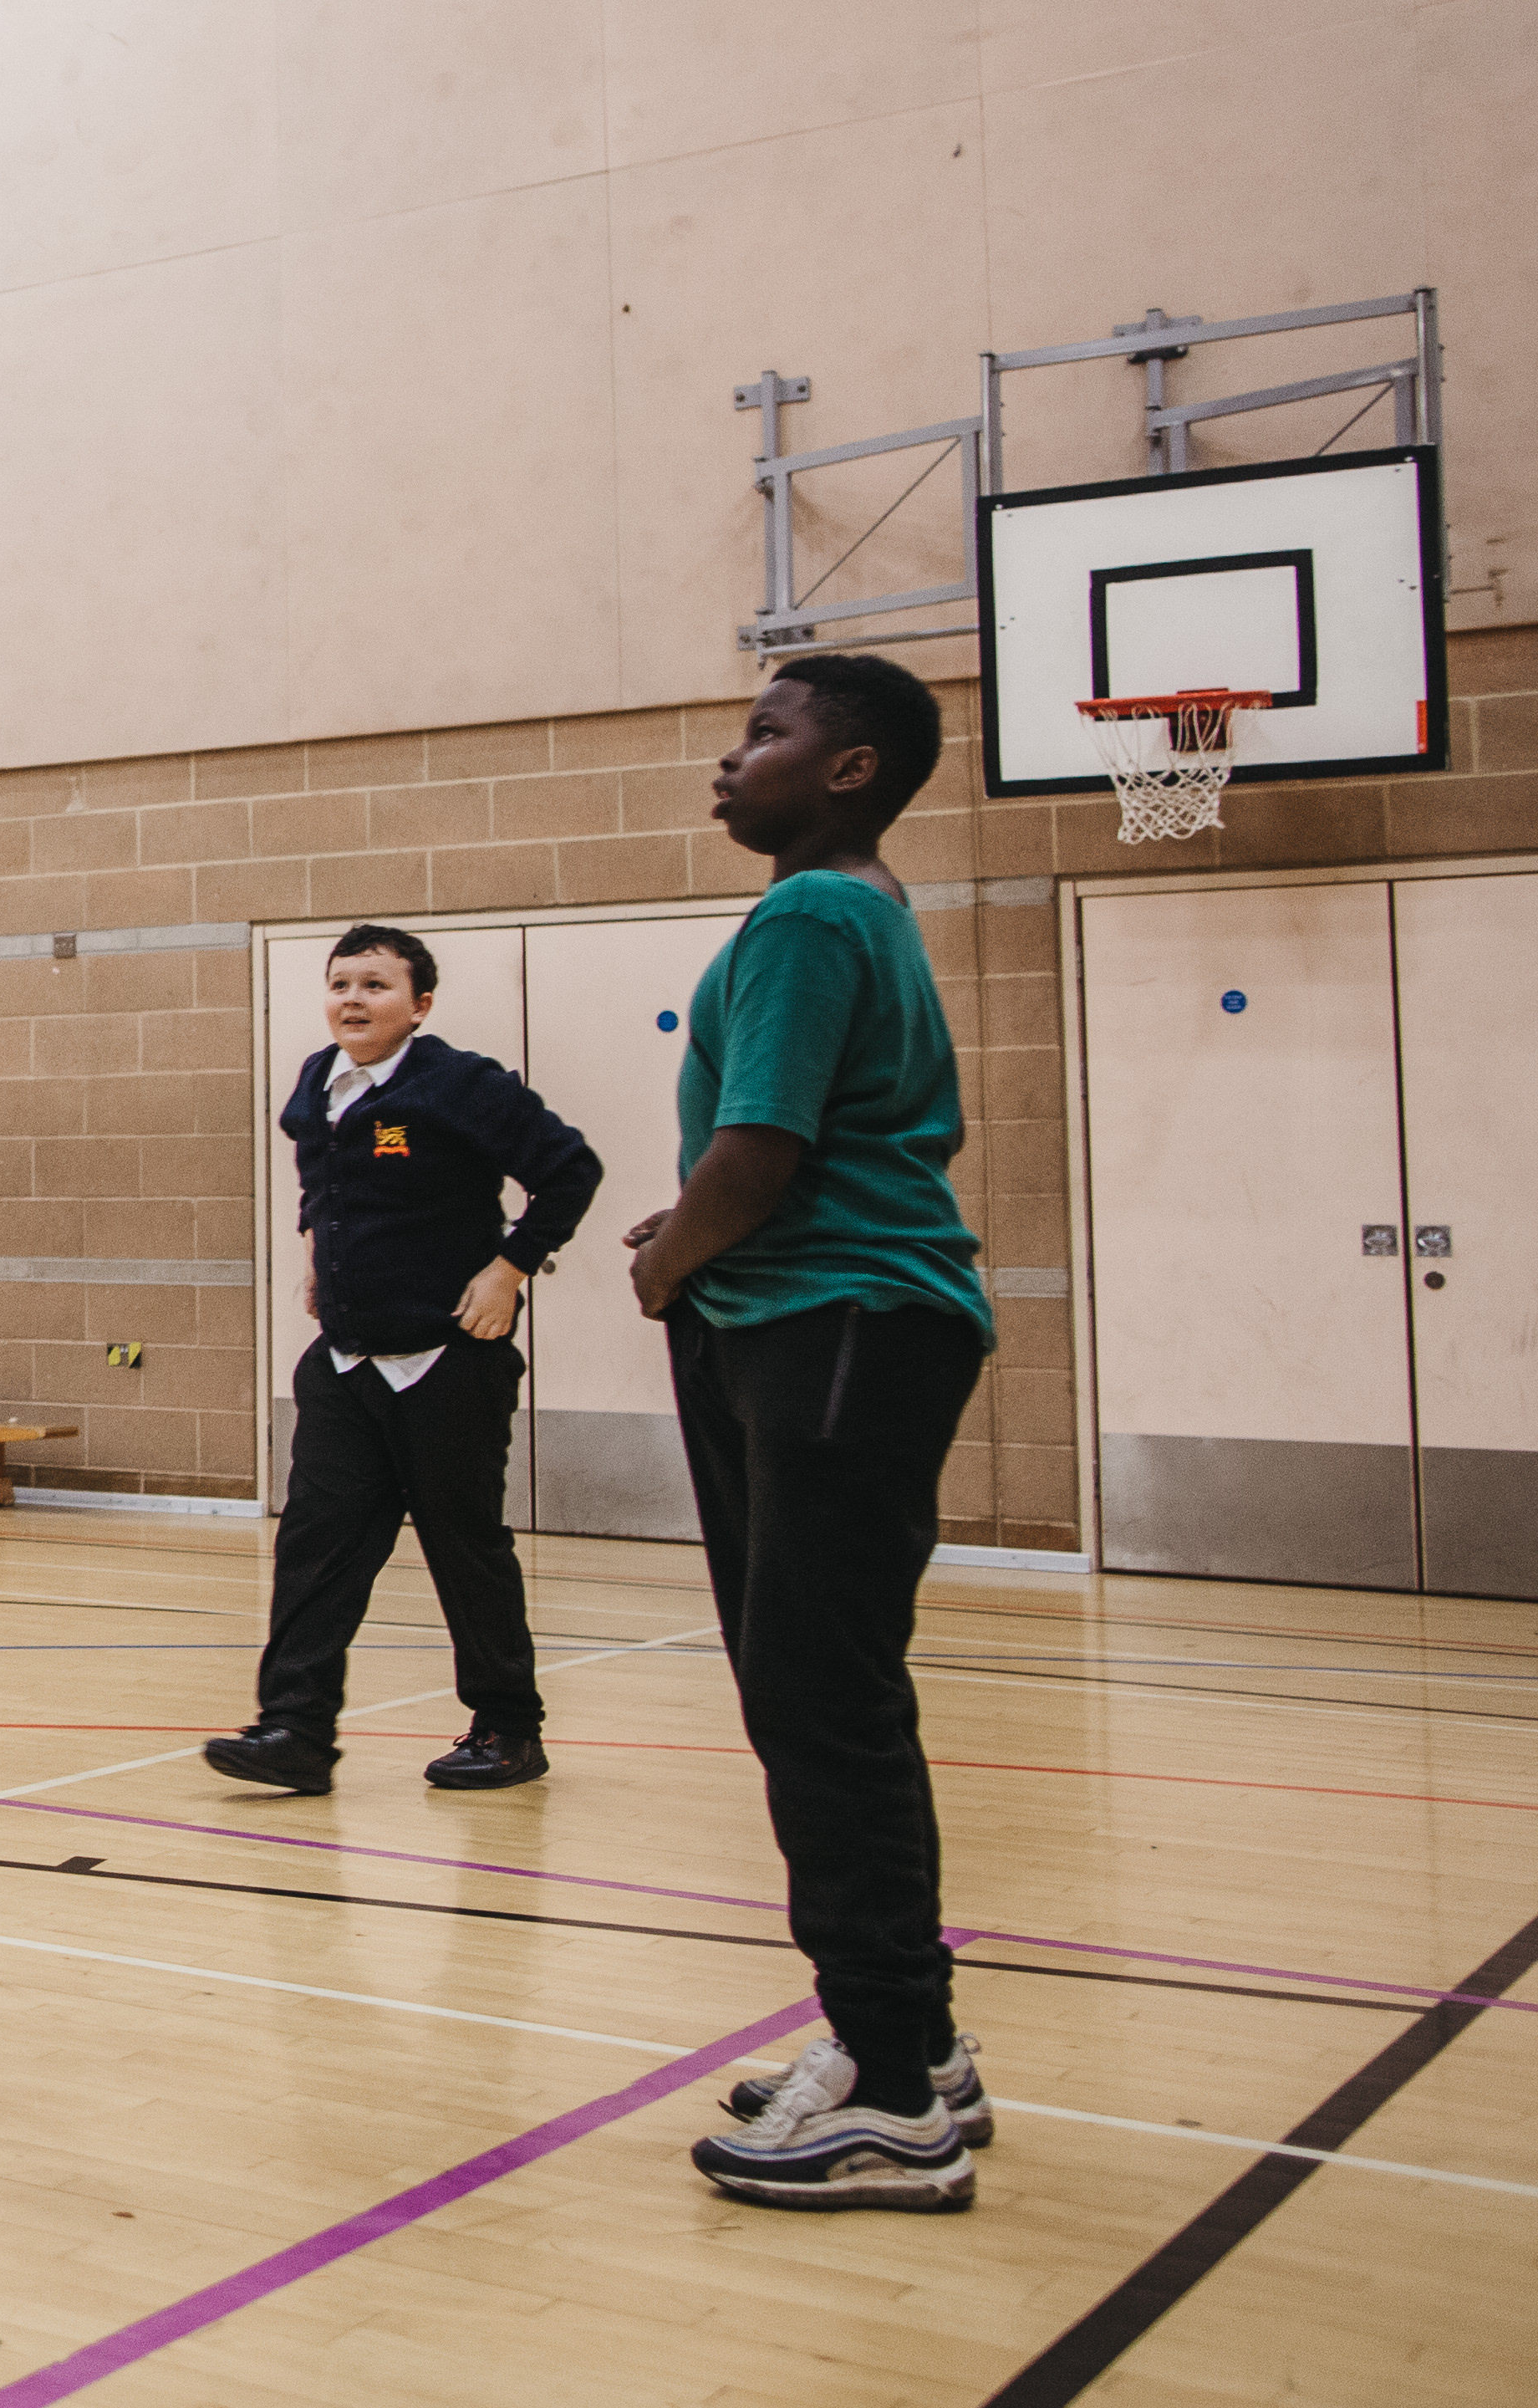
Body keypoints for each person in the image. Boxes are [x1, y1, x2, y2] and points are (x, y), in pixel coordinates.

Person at [629, 650, 996, 2213]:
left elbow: (764, 1148)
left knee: (817, 1698)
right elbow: (779, 1141)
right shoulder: (868, 909)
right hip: (835, 1316)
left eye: (767, 734)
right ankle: (905, 2030)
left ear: (850, 768)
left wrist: (665, 1256)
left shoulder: (809, 912)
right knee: (835, 1690)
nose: (732, 757)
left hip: (828, 1322)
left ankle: (894, 2093)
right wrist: (702, 1221)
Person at [206, 925, 599, 1798]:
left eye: (375, 985)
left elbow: (569, 1169)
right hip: (346, 1365)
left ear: (418, 1004)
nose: (352, 999)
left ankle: (506, 1728)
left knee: (465, 1547)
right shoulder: (317, 1081)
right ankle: (294, 1729)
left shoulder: (459, 1084)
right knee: (316, 1548)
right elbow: (318, 1169)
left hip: (447, 1364)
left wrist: (507, 1268)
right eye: (339, 982)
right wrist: (316, 1244)